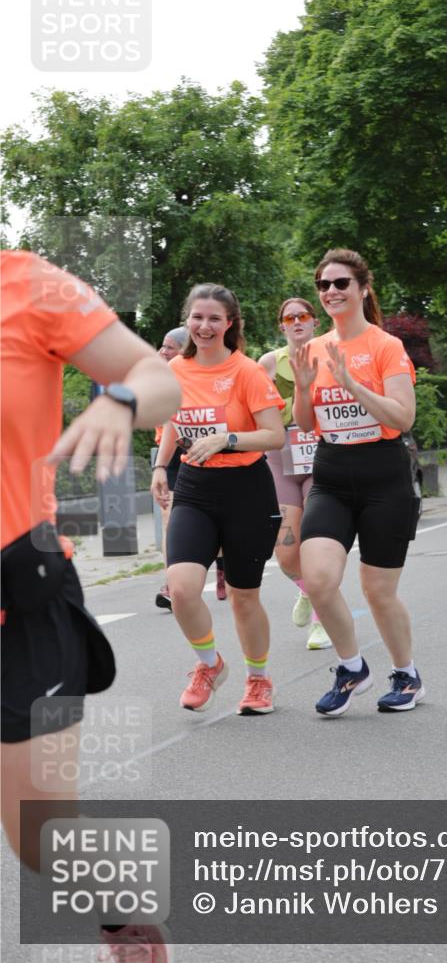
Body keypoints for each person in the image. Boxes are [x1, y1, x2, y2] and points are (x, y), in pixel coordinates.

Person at [1, 250, 181, 960]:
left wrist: (121, 397)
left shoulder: (26, 285)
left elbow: (155, 376)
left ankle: (117, 907)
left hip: (21, 605)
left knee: (40, 832)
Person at [291, 248, 423, 716]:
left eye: (341, 283)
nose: (331, 292)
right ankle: (351, 667)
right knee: (320, 578)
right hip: (331, 474)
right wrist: (304, 387)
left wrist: (354, 386)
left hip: (384, 475)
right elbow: (305, 425)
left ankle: (406, 674)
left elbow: (403, 417)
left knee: (377, 590)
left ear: (363, 289)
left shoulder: (385, 346)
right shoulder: (312, 349)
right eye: (323, 285)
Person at [151, 283, 285, 715]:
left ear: (230, 323)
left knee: (245, 595)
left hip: (246, 489)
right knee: (182, 589)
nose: (204, 326)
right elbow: (174, 421)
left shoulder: (246, 371)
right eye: (197, 317)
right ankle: (210, 664)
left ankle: (259, 679)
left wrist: (227, 438)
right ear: (188, 320)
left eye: (214, 318)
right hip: (194, 488)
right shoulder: (175, 372)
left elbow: (275, 435)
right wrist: (159, 466)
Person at [258, 298, 332, 650]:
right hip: (280, 459)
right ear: (282, 326)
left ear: (315, 322)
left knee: (317, 542)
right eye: (290, 317)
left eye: (304, 316)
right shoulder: (269, 364)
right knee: (286, 552)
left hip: (323, 458)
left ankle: (321, 618)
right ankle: (306, 590)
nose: (297, 321)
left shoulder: (331, 355)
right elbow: (253, 413)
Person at [154, 326, 188, 609]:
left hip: (196, 451)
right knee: (169, 519)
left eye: (169, 348)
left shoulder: (194, 377)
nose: (163, 352)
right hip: (169, 457)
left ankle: (223, 562)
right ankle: (170, 583)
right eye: (162, 347)